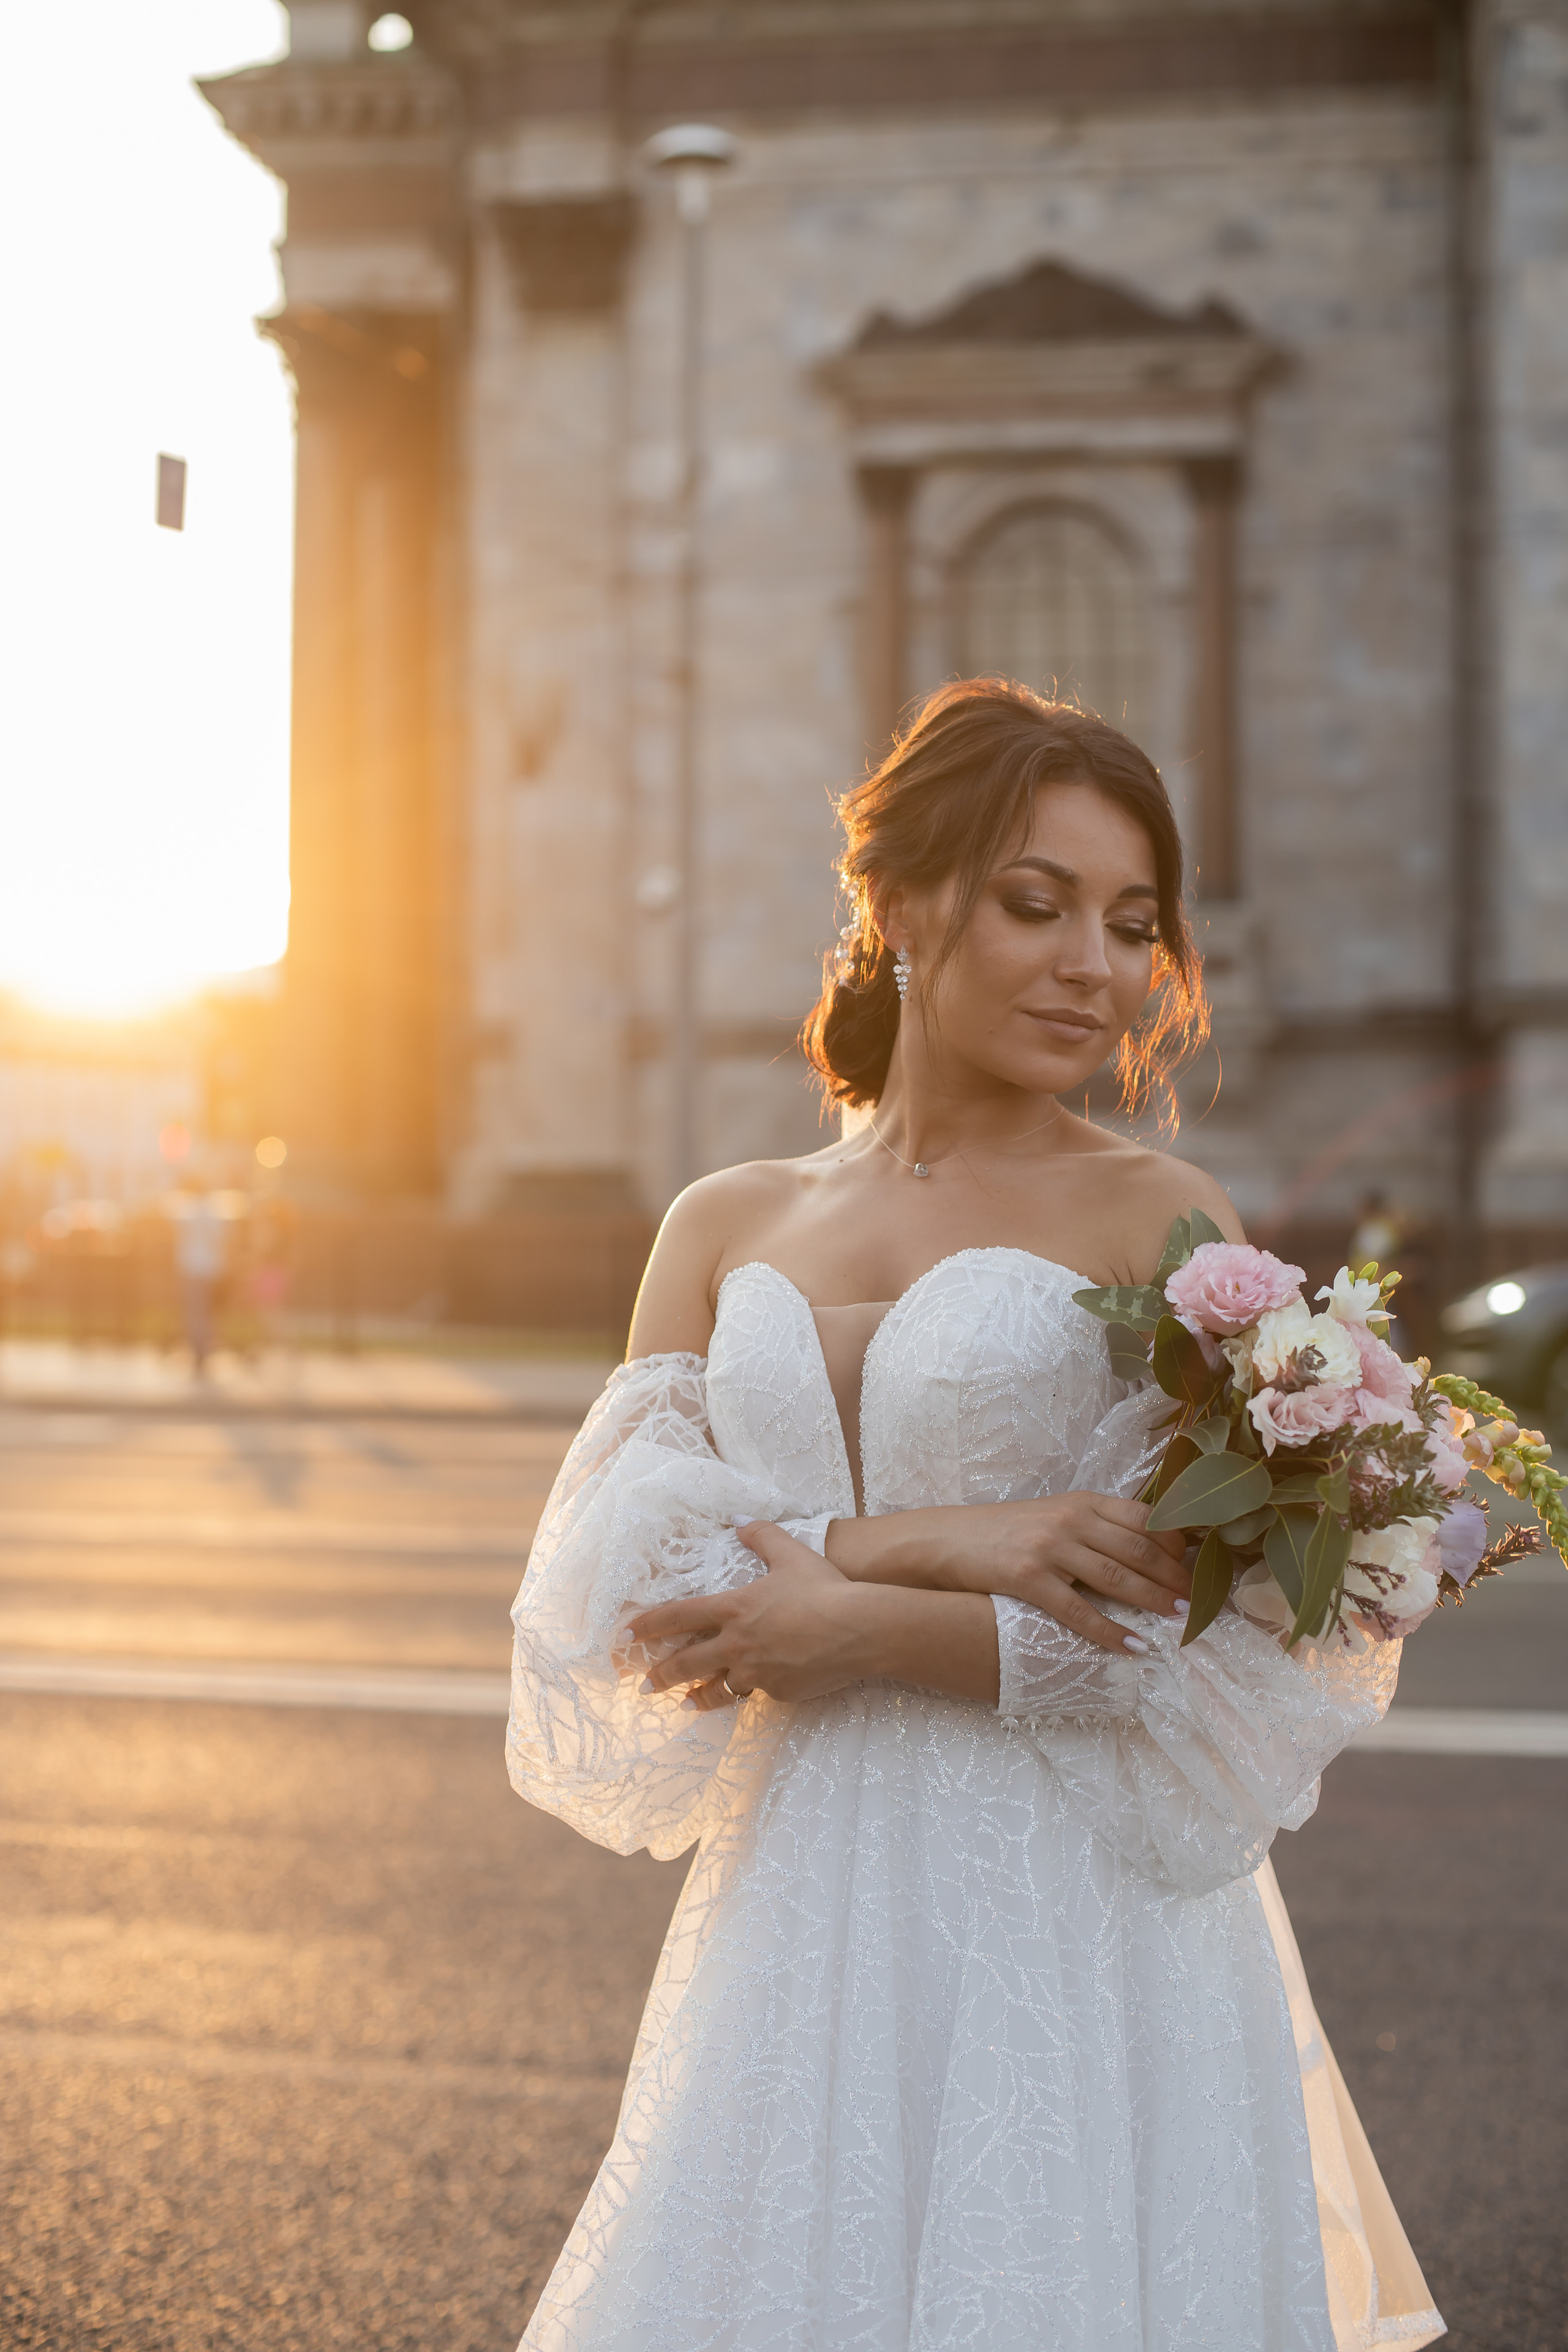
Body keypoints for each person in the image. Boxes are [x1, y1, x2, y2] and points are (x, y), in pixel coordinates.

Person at [506, 682, 1444, 2352]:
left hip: (1076, 1907)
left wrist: (848, 1622)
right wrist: (922, 1543)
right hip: (806, 1899)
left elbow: (1176, 1645)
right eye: (1037, 903)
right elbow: (630, 1589)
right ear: (901, 904)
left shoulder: (1167, 1219)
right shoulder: (722, 1221)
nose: (1096, 965)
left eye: (1133, 924)